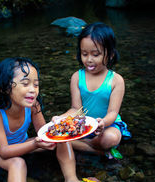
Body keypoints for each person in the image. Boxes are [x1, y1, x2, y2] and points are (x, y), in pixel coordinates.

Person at [53, 22, 131, 157]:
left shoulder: (116, 80)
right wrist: (61, 118)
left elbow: (113, 112)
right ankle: (97, 151)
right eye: (84, 54)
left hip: (108, 126)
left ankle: (81, 144)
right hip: (84, 126)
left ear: (111, 54)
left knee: (109, 138)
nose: (89, 59)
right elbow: (76, 109)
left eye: (95, 54)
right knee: (54, 131)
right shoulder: (77, 77)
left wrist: (102, 122)